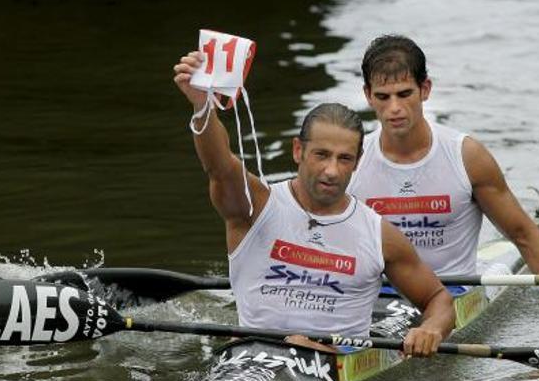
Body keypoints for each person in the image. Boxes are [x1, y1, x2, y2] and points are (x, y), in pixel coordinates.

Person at [172, 51, 455, 356]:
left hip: (337, 363)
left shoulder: (378, 234)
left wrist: (430, 329)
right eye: (321, 155)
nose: (332, 171)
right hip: (251, 358)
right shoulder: (255, 207)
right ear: (298, 151)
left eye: (344, 158)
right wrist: (202, 107)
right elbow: (220, 166)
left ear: (358, 162)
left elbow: (439, 300)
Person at [347, 35, 539, 339]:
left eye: (404, 93)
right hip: (375, 292)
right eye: (383, 97)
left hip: (449, 290)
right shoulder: (350, 159)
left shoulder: (466, 156)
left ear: (425, 89)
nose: (394, 108)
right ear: (368, 95)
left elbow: (523, 236)